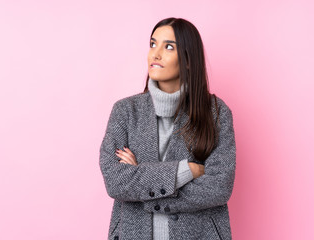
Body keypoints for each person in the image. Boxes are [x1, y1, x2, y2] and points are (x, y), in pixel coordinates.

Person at [99, 17, 236, 240]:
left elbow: (218, 188)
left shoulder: (216, 112)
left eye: (169, 47)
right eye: (153, 44)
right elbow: (116, 182)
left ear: (189, 60)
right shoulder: (124, 111)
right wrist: (187, 170)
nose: (155, 54)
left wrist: (142, 182)